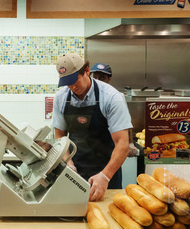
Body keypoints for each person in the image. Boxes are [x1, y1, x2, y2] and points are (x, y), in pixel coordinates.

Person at [51, 53, 132, 202]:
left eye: (74, 80)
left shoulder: (112, 97)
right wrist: (68, 164)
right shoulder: (61, 98)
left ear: (86, 71)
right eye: (67, 83)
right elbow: (60, 135)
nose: (72, 87)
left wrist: (105, 176)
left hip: (107, 173)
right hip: (76, 171)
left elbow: (123, 144)